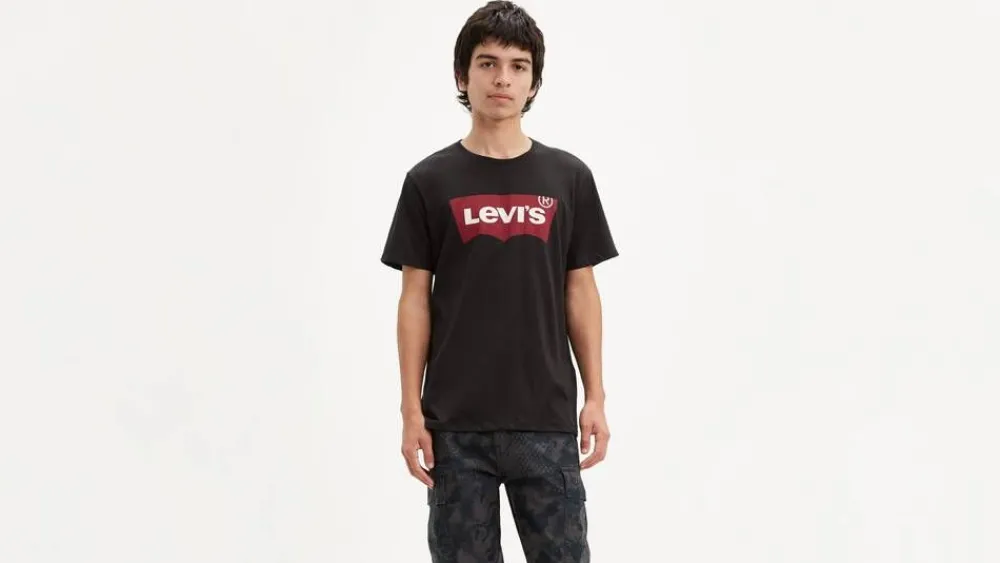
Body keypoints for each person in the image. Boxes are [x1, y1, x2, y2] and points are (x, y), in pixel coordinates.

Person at [379, 2, 618, 561]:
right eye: (487, 63)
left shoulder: (568, 177)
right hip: (455, 426)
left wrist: (596, 396)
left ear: (534, 82)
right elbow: (414, 300)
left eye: (518, 66)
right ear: (462, 76)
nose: (502, 78)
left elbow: (581, 291)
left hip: (546, 420)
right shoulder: (428, 180)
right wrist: (411, 410)